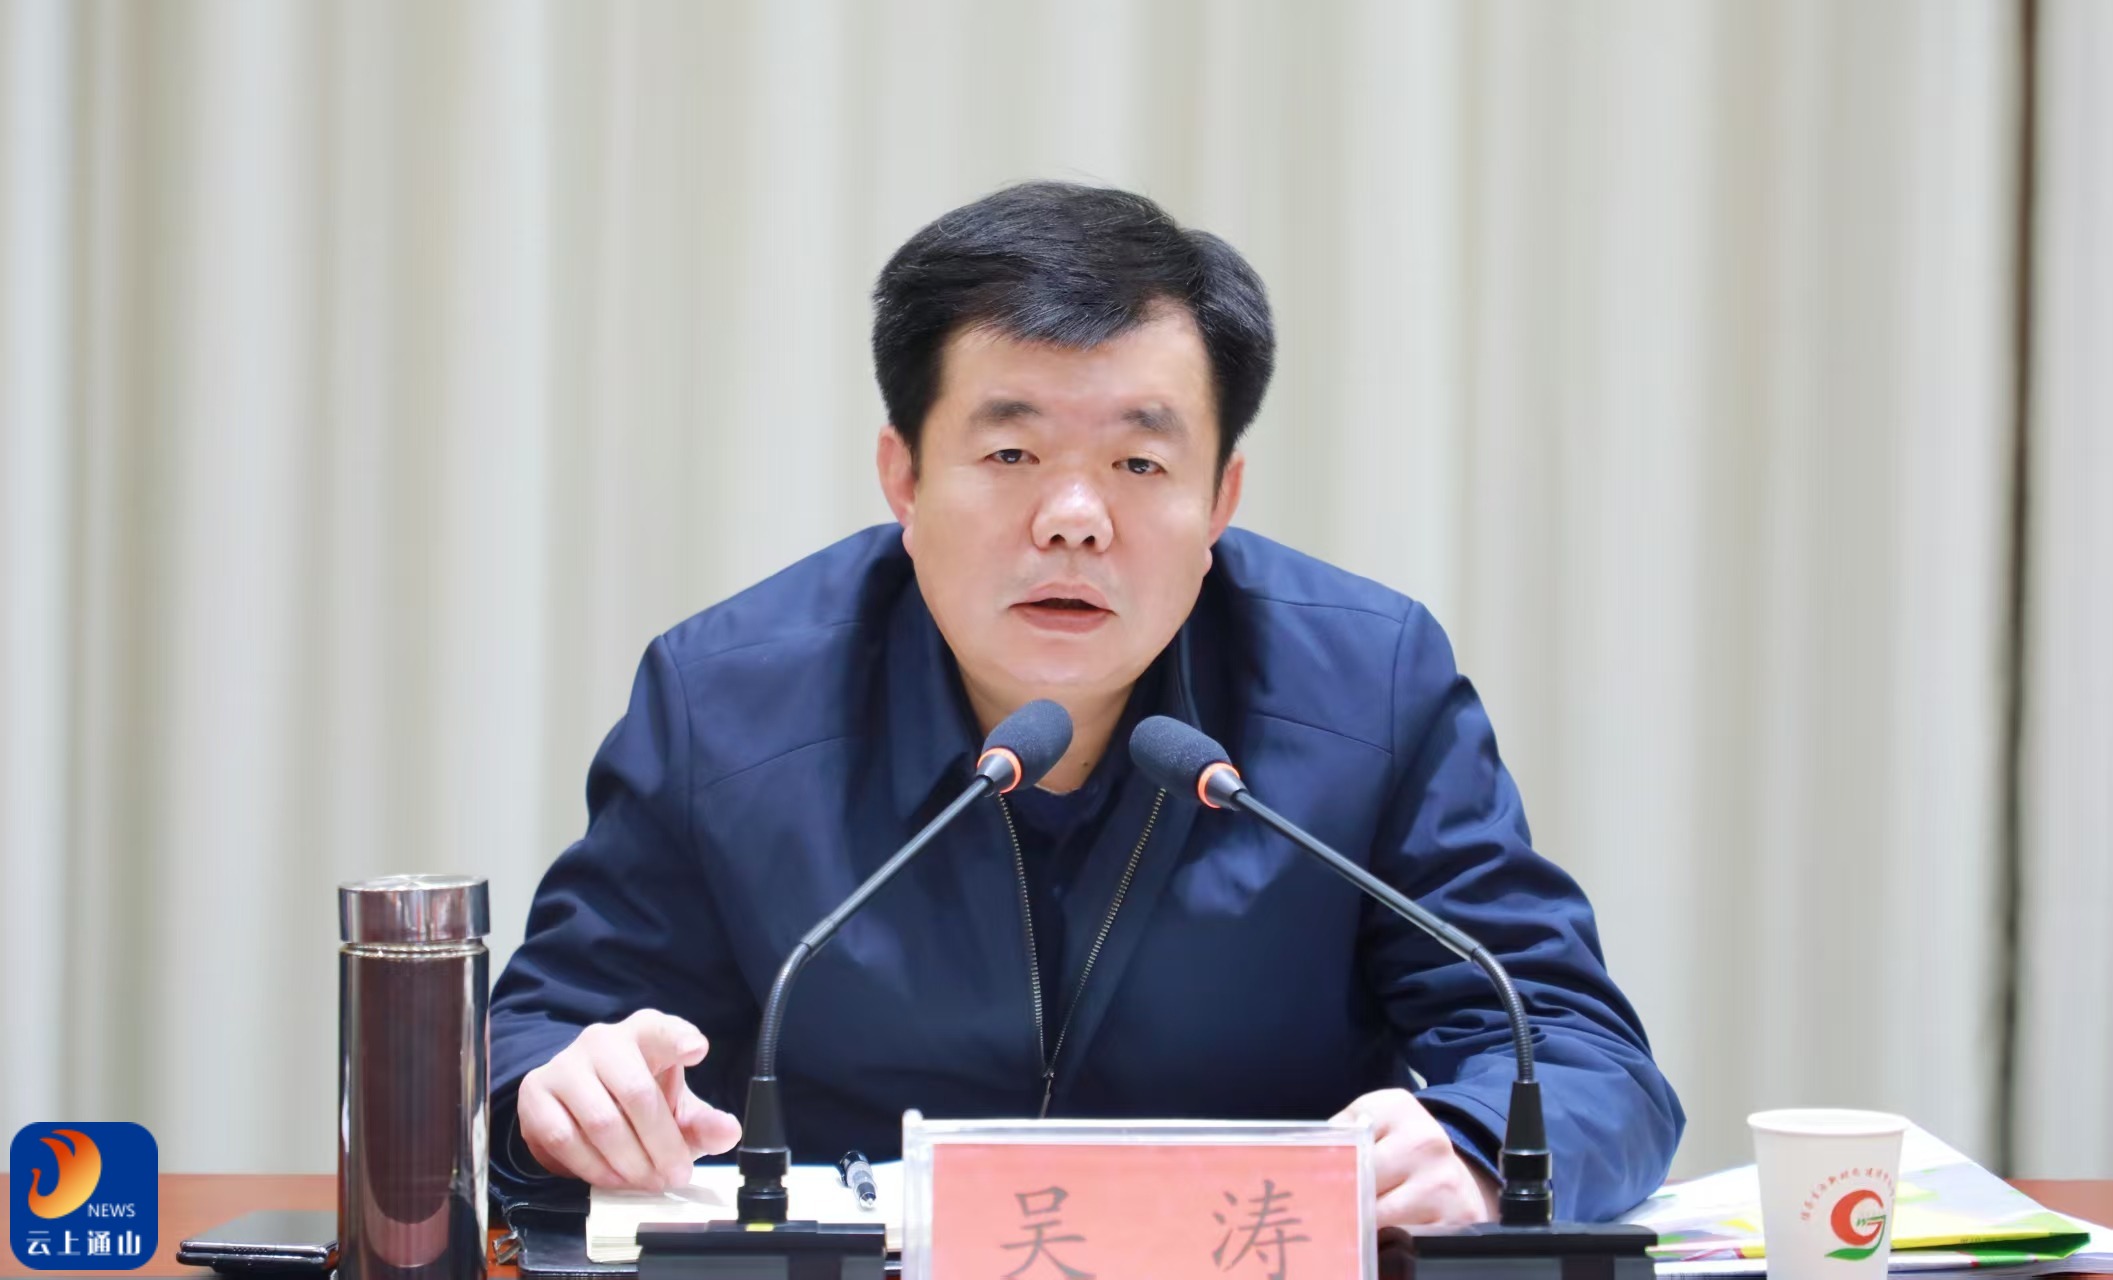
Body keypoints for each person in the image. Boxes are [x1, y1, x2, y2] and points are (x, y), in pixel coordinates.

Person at [488, 181, 1683, 1226]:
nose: (1074, 518)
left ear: (1220, 500)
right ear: (904, 475)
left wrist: (1472, 1146)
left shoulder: (1367, 686)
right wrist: (559, 1095)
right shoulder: (730, 702)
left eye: (1139, 463)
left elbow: (1575, 1054)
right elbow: (533, 1042)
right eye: (1011, 454)